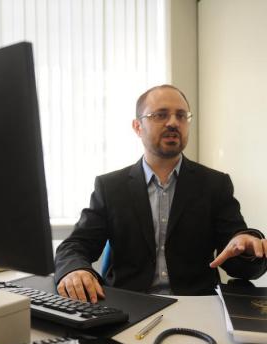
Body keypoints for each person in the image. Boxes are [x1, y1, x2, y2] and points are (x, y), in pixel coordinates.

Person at [54, 84, 267, 303]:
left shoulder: (215, 184)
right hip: (129, 305)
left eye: (181, 116)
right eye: (161, 115)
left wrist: (250, 248)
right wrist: (74, 269)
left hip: (197, 305)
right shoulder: (111, 187)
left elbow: (237, 260)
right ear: (138, 127)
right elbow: (75, 246)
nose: (174, 122)